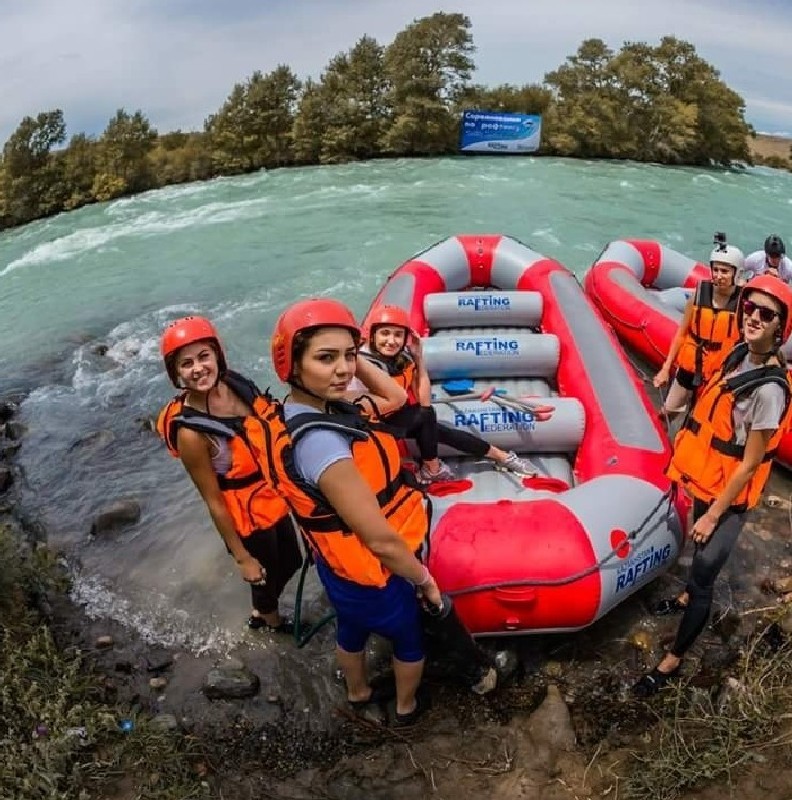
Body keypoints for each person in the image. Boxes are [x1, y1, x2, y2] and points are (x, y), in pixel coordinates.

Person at [270, 298, 442, 726]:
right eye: (325, 358)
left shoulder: (319, 411)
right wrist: (425, 581)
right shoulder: (322, 444)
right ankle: (405, 708)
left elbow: (397, 396)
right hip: (376, 572)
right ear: (291, 364)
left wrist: (351, 351)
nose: (344, 369)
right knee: (408, 640)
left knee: (350, 630)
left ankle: (358, 691)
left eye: (349, 355)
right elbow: (381, 539)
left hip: (338, 566)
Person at [633, 275, 792, 697]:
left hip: (731, 497)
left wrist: (717, 513)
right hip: (709, 478)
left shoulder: (770, 391)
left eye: (766, 314)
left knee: (704, 573)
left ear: (781, 326)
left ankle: (672, 662)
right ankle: (684, 600)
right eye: (750, 309)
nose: (753, 317)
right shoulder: (740, 353)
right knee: (697, 557)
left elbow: (751, 463)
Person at [156, 315, 303, 634]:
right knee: (263, 574)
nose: (198, 369)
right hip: (245, 518)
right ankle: (269, 621)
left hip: (270, 498)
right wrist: (241, 558)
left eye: (204, 357)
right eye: (186, 363)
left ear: (218, 356)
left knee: (292, 561)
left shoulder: (235, 384)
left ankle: (261, 609)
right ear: (176, 373)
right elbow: (213, 500)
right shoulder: (192, 435)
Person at [357, 305, 538, 483]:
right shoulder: (363, 366)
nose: (391, 341)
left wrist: (419, 357)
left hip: (394, 418)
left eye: (398, 335)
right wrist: (422, 416)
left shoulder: (403, 358)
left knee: (436, 427)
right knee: (425, 418)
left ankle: (501, 456)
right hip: (371, 427)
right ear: (373, 336)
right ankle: (433, 469)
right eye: (385, 333)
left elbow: (423, 401)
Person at [653, 242, 744, 423]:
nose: (718, 276)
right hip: (689, 366)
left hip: (717, 374)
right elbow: (682, 333)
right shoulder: (699, 295)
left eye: (725, 271)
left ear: (736, 273)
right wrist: (665, 368)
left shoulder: (743, 303)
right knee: (667, 412)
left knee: (700, 421)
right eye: (716, 270)